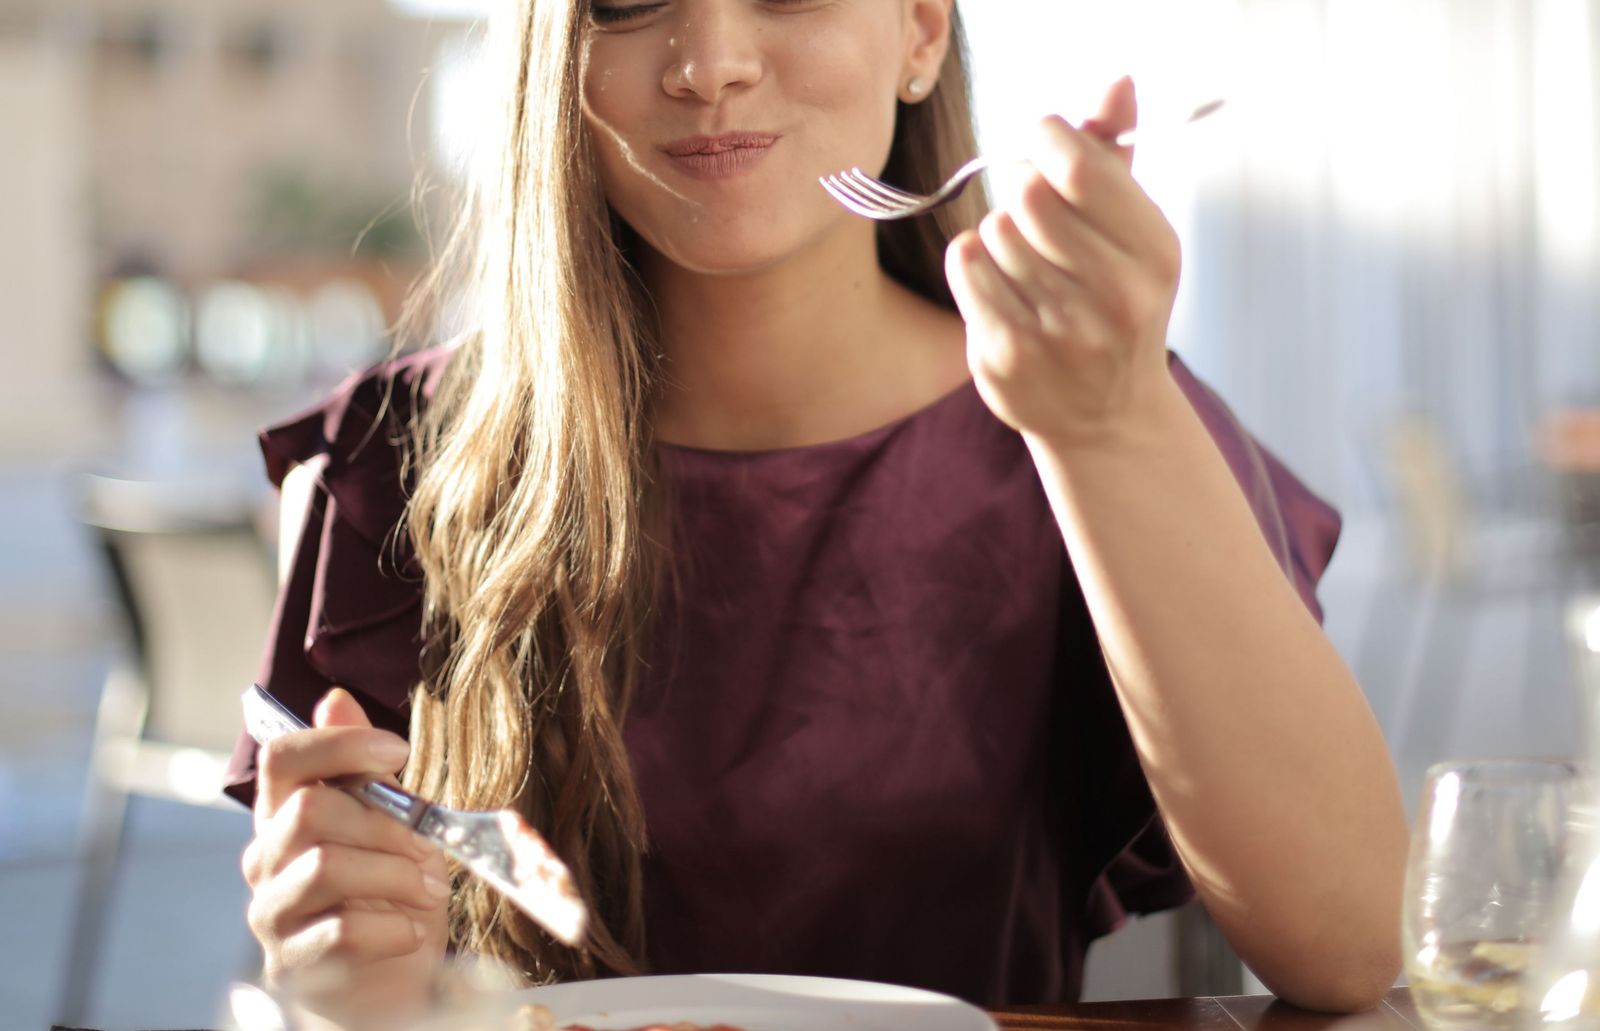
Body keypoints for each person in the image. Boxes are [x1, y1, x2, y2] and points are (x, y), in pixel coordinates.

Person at [226, 0, 1407, 1022]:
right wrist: (339, 981)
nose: (708, 61)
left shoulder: (1088, 409)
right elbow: (342, 970)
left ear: (920, 32)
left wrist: (1110, 425)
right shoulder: (393, 460)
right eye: (629, 1)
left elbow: (1352, 943)